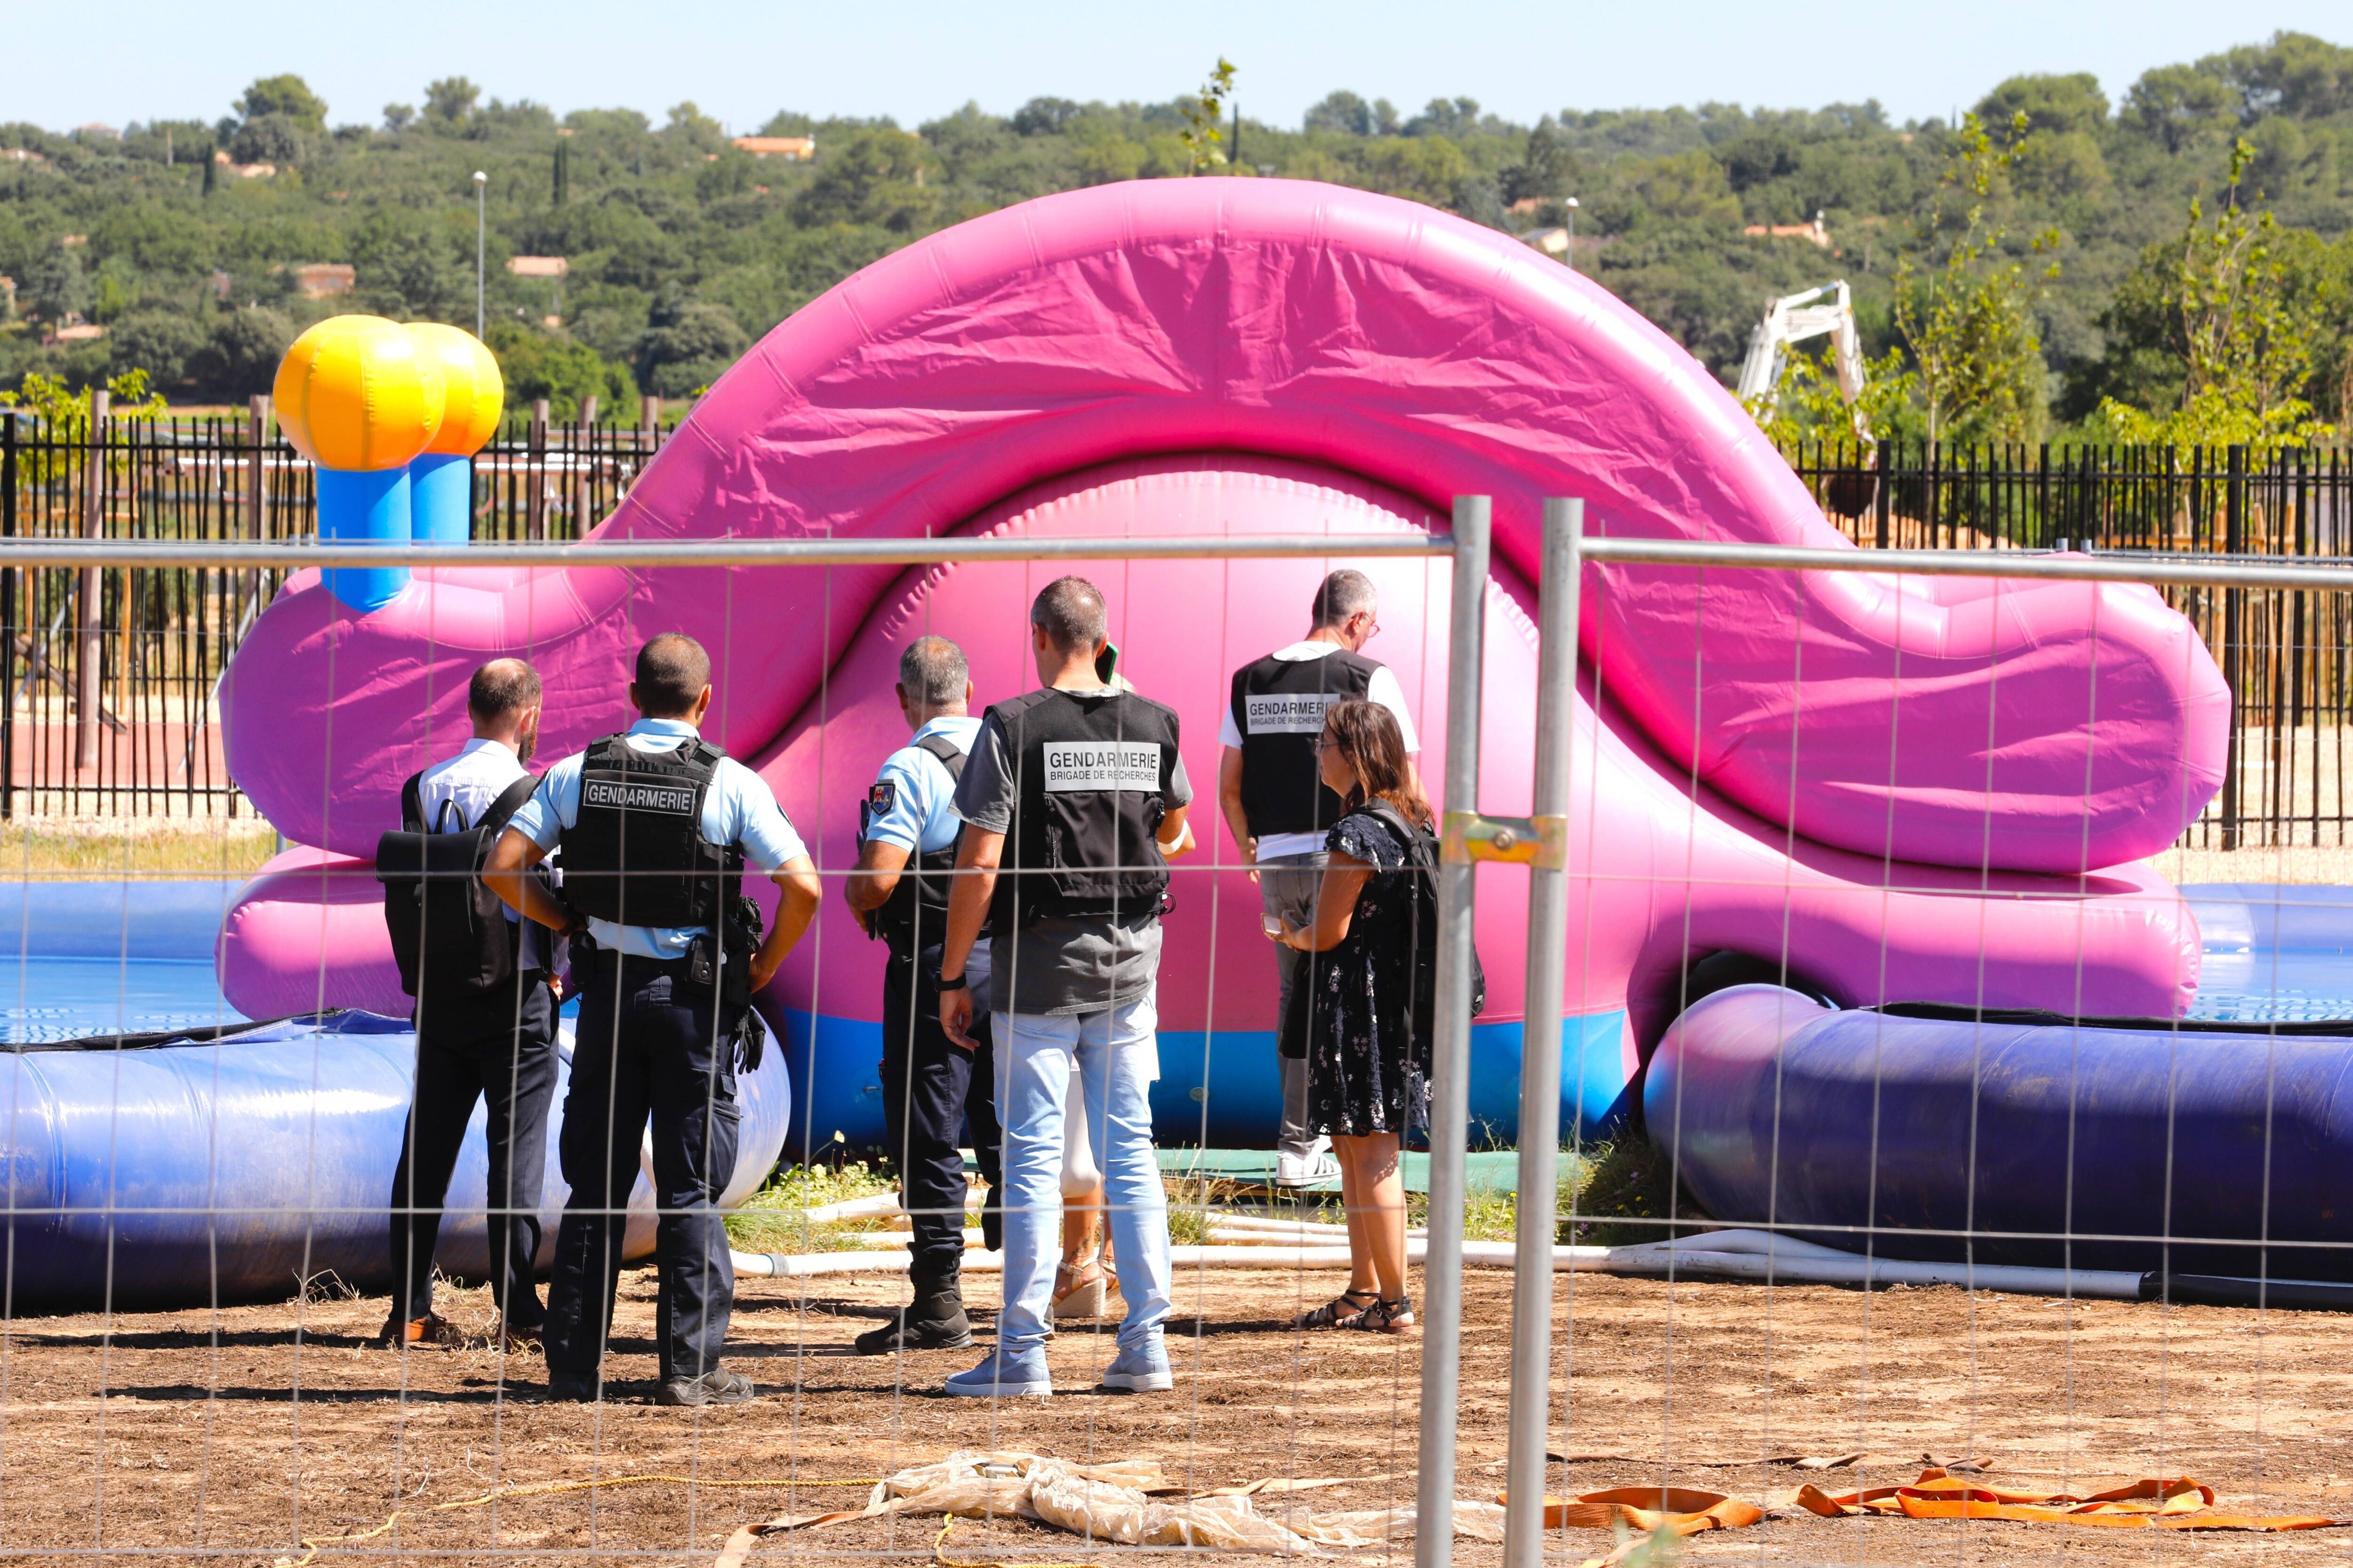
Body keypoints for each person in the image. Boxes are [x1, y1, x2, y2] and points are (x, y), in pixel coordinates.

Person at [485, 632, 822, 1408]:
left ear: (634, 697)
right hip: (692, 1008)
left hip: (605, 1005)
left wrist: (566, 925)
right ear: (705, 702)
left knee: (595, 1186)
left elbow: (503, 867)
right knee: (690, 1188)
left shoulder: (576, 773)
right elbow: (802, 887)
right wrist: (764, 966)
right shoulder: (730, 784)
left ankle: (573, 1369)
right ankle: (689, 1371)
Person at [935, 576, 1195, 1397]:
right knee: (1130, 1151)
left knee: (1034, 1156)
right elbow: (1176, 829)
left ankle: (1021, 1355)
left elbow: (978, 861)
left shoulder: (1012, 726)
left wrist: (951, 973)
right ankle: (1146, 1344)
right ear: (1103, 637)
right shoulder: (1154, 722)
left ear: (1039, 636)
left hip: (1037, 972)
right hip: (1130, 968)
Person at [1218, 569, 1421, 1189]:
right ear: (1358, 621)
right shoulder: (1368, 676)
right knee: (1361, 1000)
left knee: (1298, 1001)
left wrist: (1253, 852)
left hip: (1279, 861)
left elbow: (1229, 787)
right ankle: (1359, 1142)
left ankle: (1296, 1146)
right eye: (1373, 626)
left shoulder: (1249, 681)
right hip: (1354, 855)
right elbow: (1405, 780)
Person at [381, 657, 559, 1350]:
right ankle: (517, 1309)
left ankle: (410, 1311)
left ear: (472, 710)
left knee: (424, 1152)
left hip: (440, 995)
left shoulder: (420, 787)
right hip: (514, 997)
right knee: (513, 1157)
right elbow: (547, 884)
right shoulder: (531, 791)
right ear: (528, 716)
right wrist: (561, 952)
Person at [841, 635, 1002, 1354]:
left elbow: (878, 881)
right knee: (1012, 1120)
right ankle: (1038, 1288)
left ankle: (939, 1298)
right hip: (1022, 962)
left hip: (935, 965)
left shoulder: (910, 767)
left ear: (906, 700)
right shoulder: (1013, 753)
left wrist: (856, 897)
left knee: (928, 1127)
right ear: (969, 687)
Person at [1273, 698, 1434, 1337]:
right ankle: (1365, 1289)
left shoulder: (1357, 833)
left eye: (1326, 743)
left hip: (1359, 1013)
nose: (1319, 753)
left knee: (1371, 1156)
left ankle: (1395, 1302)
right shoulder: (1412, 820)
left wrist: (1289, 933)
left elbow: (1329, 932)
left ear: (1356, 753)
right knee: (1354, 1150)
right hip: (1390, 1012)